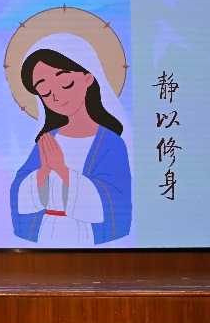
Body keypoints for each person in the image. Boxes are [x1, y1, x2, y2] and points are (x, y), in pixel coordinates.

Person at [10, 35, 132, 246]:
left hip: (89, 236)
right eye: (45, 92)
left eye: (65, 83)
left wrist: (62, 169)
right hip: (46, 232)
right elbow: (19, 192)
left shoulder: (110, 143)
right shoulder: (48, 139)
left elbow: (115, 199)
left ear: (88, 79)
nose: (56, 96)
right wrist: (44, 171)